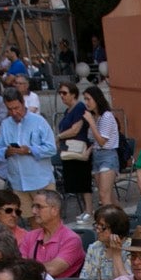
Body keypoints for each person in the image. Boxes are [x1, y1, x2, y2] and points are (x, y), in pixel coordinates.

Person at [0, 86, 58, 209]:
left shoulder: (39, 121)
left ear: (23, 102)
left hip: (41, 181)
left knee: (49, 220)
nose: (14, 113)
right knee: (32, 222)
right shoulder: (5, 125)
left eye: (16, 108)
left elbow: (52, 148)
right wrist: (6, 152)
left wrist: (30, 150)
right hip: (18, 183)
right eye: (10, 109)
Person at [53, 80, 93, 221]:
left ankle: (89, 210)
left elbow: (76, 129)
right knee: (76, 183)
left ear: (73, 94)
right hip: (69, 150)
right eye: (60, 93)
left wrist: (59, 136)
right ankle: (84, 210)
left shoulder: (79, 107)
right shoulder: (67, 110)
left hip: (79, 149)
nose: (62, 96)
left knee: (83, 181)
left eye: (65, 93)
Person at [23, 188, 85, 278]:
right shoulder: (30, 236)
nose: (33, 211)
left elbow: (53, 269)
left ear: (54, 210)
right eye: (33, 206)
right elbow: (18, 266)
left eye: (39, 207)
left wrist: (26, 268)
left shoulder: (71, 239)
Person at [81, 86, 120, 209]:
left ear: (97, 99)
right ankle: (123, 218)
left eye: (89, 99)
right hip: (97, 156)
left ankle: (109, 223)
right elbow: (94, 141)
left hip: (107, 155)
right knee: (109, 196)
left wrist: (91, 123)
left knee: (104, 196)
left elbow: (102, 141)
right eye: (85, 99)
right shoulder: (96, 117)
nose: (86, 102)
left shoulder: (106, 116)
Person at [83, 205, 130, 280]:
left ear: (117, 228)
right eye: (97, 225)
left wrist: (116, 254)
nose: (97, 230)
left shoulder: (132, 249)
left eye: (102, 227)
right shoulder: (94, 247)